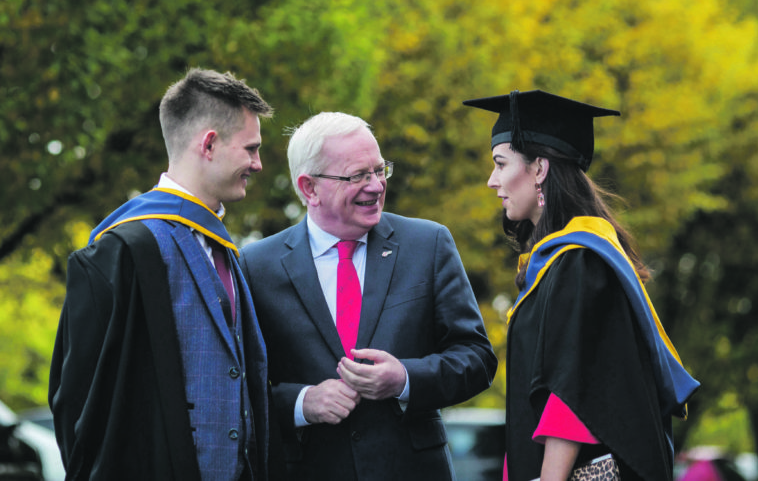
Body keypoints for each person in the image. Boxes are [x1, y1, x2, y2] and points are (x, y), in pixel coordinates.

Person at [238, 111, 498, 481]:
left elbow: (476, 359)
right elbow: (240, 387)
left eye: (379, 170)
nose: (376, 186)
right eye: (358, 175)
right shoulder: (255, 265)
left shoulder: (428, 244)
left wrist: (405, 378)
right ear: (309, 187)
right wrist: (303, 403)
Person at [49, 68, 275, 481]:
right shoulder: (123, 251)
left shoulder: (226, 251)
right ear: (209, 144)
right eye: (251, 149)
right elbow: (81, 404)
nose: (258, 164)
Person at [463, 90, 700, 481]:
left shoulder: (580, 262)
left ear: (539, 169)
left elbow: (570, 391)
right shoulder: (563, 261)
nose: (492, 181)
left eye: (501, 164)